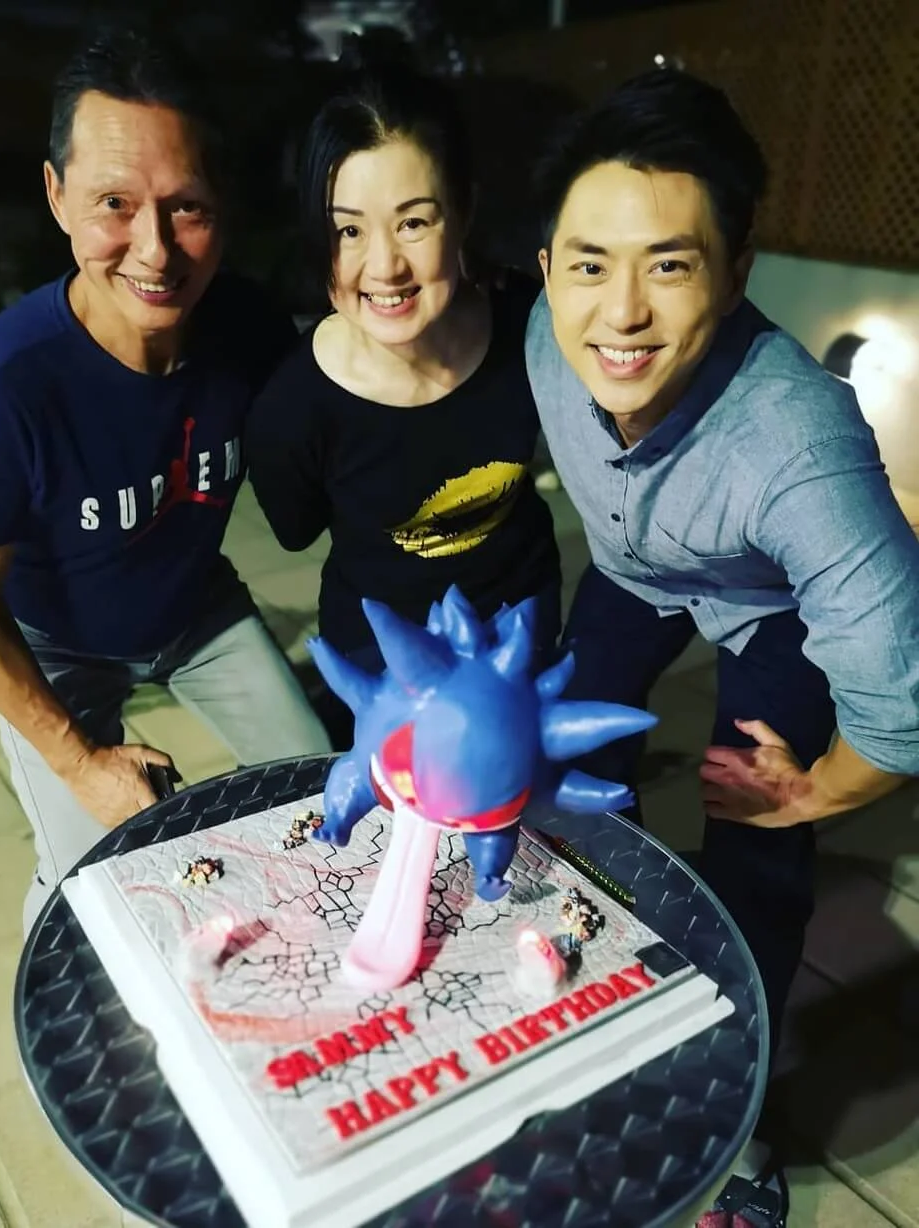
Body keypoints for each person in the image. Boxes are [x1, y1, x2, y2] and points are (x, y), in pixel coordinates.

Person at [526, 68, 919, 1216]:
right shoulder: (542, 339)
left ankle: (734, 1113)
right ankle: (590, 985)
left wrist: (817, 792)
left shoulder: (797, 439)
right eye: (589, 264)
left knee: (752, 843)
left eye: (669, 264)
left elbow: (901, 699)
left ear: (736, 271)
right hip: (630, 575)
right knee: (560, 766)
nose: (620, 315)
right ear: (544, 266)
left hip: (766, 605)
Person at [0, 22, 330, 933]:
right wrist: (81, 763)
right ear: (57, 195)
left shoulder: (247, 329)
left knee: (319, 787)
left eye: (186, 208)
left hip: (195, 611)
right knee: (88, 879)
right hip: (57, 641)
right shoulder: (1, 390)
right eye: (114, 203)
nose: (154, 250)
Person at [246, 67, 561, 743]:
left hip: (520, 634)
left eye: (414, 222)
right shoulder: (291, 408)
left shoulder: (532, 327)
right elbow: (295, 528)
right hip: (382, 656)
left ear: (464, 212)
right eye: (348, 231)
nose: (385, 265)